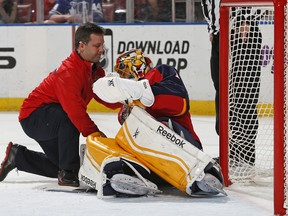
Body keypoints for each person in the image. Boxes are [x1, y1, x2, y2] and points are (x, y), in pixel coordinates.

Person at [82, 49, 226, 197]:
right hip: (155, 165)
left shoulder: (163, 72)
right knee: (101, 141)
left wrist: (142, 95)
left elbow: (179, 104)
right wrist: (132, 100)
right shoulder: (128, 105)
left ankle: (200, 175)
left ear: (137, 66)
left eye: (124, 72)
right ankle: (118, 176)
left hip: (187, 151)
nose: (123, 77)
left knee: (156, 125)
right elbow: (124, 120)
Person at [0, 23, 121, 187]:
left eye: (102, 45)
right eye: (97, 45)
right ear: (82, 46)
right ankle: (67, 174)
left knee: (61, 165)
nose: (101, 50)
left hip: (54, 118)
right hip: (34, 117)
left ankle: (19, 157)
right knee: (69, 120)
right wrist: (94, 133)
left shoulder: (95, 71)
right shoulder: (69, 72)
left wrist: (126, 103)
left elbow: (105, 96)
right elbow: (75, 111)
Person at [229, 8, 264, 166]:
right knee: (232, 99)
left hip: (245, 29)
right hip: (230, 26)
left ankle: (247, 155)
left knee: (246, 98)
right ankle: (234, 153)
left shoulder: (249, 27)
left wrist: (246, 21)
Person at [201, 0, 220, 135]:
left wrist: (246, 21)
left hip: (235, 33)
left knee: (236, 93)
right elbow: (206, 3)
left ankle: (240, 151)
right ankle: (226, 149)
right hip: (218, 36)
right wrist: (211, 28)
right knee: (220, 88)